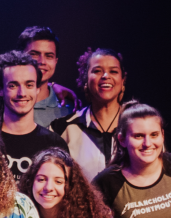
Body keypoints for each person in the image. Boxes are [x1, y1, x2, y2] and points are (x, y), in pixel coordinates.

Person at [0, 27, 80, 131]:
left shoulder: (69, 108)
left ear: (56, 61)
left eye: (49, 56)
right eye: (34, 54)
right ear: (20, 56)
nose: (42, 61)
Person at [0, 50, 67, 179]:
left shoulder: (54, 144)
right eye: (13, 86)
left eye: (29, 85)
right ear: (0, 89)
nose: (22, 93)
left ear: (37, 89)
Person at [55, 48, 128, 180]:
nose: (106, 76)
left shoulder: (140, 124)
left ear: (123, 80)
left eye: (113, 71)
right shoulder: (63, 129)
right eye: (97, 71)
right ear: (85, 79)